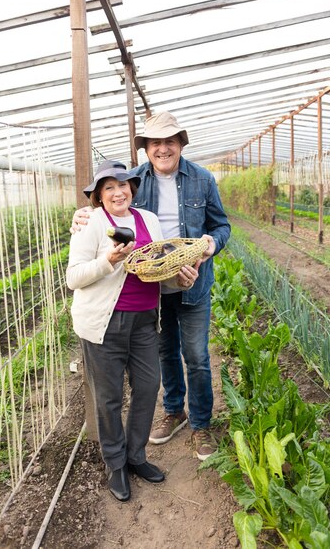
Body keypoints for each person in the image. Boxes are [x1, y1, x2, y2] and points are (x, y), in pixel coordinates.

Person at [71, 113, 231, 460]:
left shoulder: (203, 179)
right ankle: (174, 411)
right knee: (165, 353)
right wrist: (82, 216)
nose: (163, 149)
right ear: (145, 149)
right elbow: (112, 216)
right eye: (155, 143)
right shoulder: (132, 181)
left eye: (169, 141)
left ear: (180, 144)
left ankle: (202, 425)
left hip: (191, 281)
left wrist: (210, 245)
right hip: (151, 289)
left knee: (198, 356)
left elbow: (222, 226)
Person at [66, 159, 199, 502]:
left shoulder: (148, 220)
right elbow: (74, 277)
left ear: (132, 188)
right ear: (98, 195)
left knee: (147, 387)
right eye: (108, 187)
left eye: (122, 185)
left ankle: (136, 456)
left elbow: (156, 267)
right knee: (109, 398)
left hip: (143, 321)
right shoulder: (92, 224)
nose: (117, 192)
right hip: (103, 324)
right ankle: (115, 464)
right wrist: (108, 261)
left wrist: (179, 277)